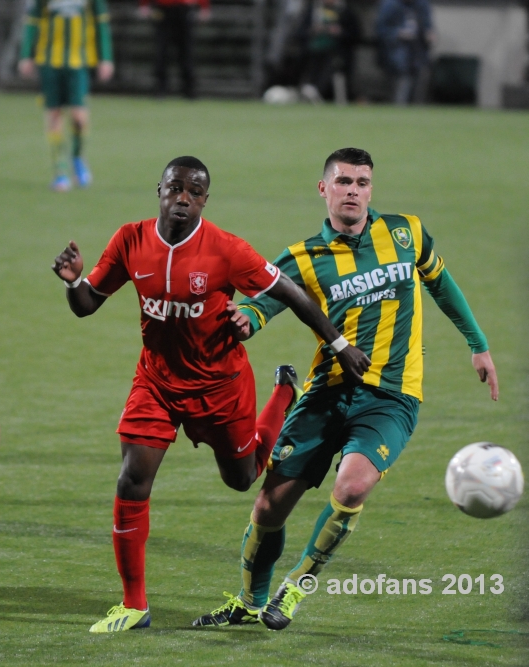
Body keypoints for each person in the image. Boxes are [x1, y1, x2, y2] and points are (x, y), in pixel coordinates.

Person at [52, 155, 370, 632]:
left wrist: (339, 343)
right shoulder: (129, 239)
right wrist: (75, 280)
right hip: (156, 383)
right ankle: (134, 605)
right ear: (158, 189)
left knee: (242, 479)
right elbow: (86, 305)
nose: (183, 198)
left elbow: (291, 292)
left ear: (204, 200)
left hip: (221, 387)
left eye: (194, 192)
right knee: (131, 480)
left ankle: (283, 392)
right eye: (175, 187)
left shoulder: (225, 249)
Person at [193, 147, 498, 630]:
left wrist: (477, 344)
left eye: (361, 182)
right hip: (328, 392)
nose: (352, 191)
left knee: (353, 485)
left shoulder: (405, 232)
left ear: (370, 189)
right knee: (269, 506)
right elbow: (262, 303)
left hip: (392, 397)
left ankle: (295, 587)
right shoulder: (302, 258)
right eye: (342, 182)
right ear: (324, 189)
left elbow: (441, 283)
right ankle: (250, 602)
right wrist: (245, 320)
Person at [18, 0, 114, 191]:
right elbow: (32, 22)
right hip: (49, 61)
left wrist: (106, 58)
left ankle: (77, 157)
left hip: (79, 63)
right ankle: (59, 170)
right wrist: (26, 54)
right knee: (54, 114)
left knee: (79, 117)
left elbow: (101, 23)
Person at [139, 0, 209, 99]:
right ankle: (160, 89)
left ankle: (189, 90)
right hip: (163, 9)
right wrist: (144, 4)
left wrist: (204, 7)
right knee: (161, 51)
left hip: (184, 9)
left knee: (186, 52)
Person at [376, 0, 434, 105]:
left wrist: (429, 34)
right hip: (396, 52)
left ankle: (416, 109)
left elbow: (428, 25)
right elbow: (381, 30)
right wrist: (398, 33)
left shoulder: (422, 4)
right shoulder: (390, 5)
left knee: (420, 82)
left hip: (418, 52)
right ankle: (399, 109)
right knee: (402, 82)